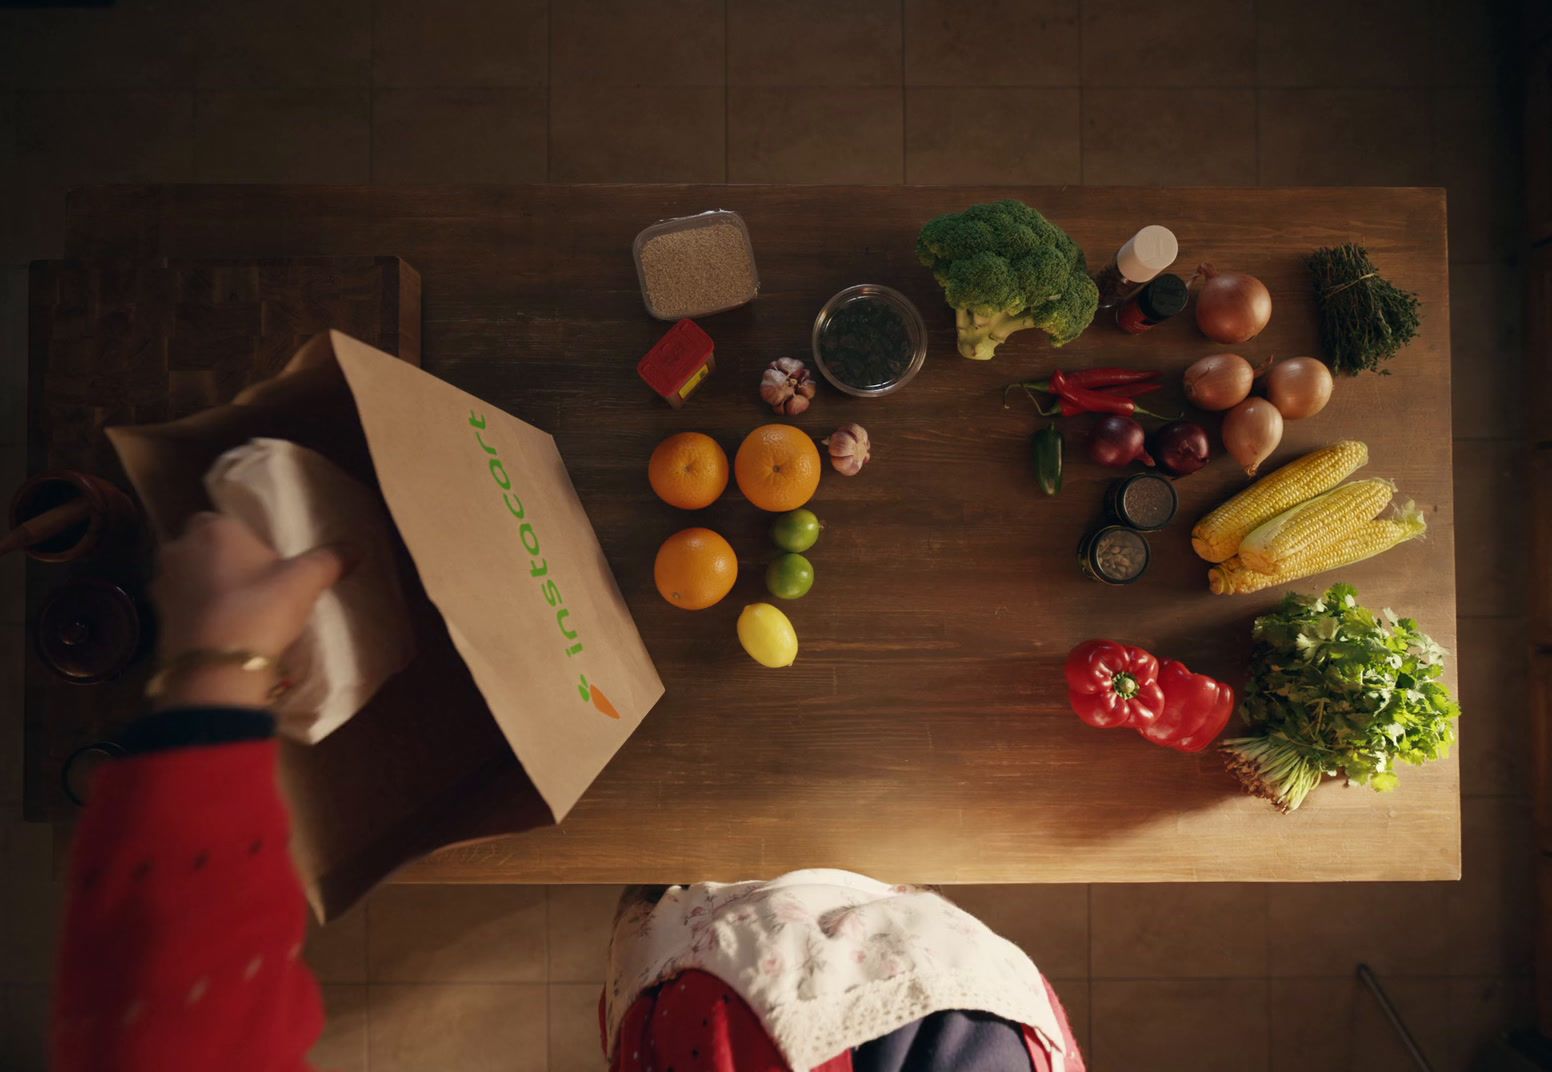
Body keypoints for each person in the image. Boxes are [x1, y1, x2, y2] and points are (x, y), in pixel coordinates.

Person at [51, 514, 1085, 1071]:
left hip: (714, 993)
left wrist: (218, 670)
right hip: (930, 998)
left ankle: (676, 910)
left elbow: (175, 1038)